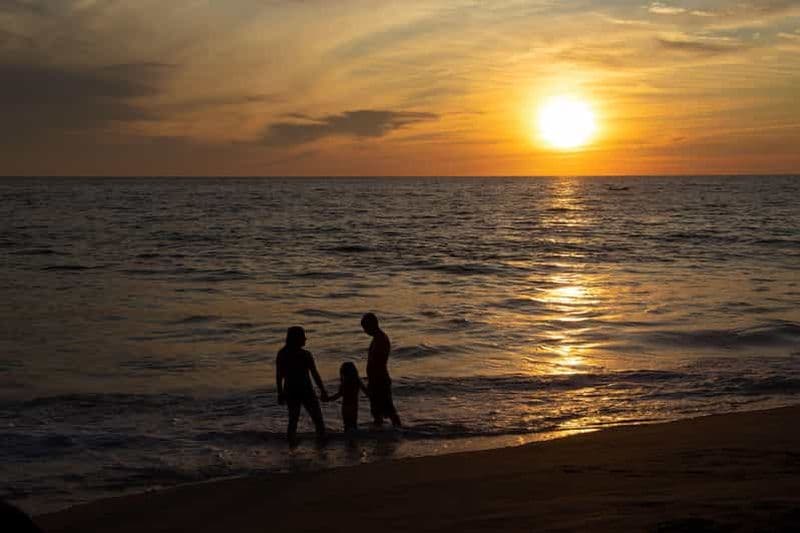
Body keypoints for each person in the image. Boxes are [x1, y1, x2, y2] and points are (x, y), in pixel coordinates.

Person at [275, 326, 329, 445]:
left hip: (291, 391)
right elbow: (314, 374)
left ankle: (291, 449)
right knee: (318, 421)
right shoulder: (305, 354)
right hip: (306, 390)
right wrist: (322, 390)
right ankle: (321, 447)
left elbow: (279, 376)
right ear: (296, 338)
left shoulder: (282, 354)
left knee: (293, 421)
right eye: (303, 336)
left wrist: (280, 393)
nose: (305, 338)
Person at [361, 313, 401, 427]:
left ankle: (398, 430)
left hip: (380, 380)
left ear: (372, 325)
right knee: (377, 411)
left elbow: (378, 363)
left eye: (365, 328)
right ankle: (381, 431)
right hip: (377, 380)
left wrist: (373, 381)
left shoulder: (381, 339)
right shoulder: (377, 338)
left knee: (388, 409)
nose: (365, 331)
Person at [323, 362, 369, 432]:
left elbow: (339, 395)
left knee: (347, 424)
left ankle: (349, 438)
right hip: (354, 405)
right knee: (353, 423)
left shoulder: (345, 382)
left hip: (346, 406)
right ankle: (353, 437)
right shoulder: (357, 380)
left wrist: (328, 399)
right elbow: (366, 391)